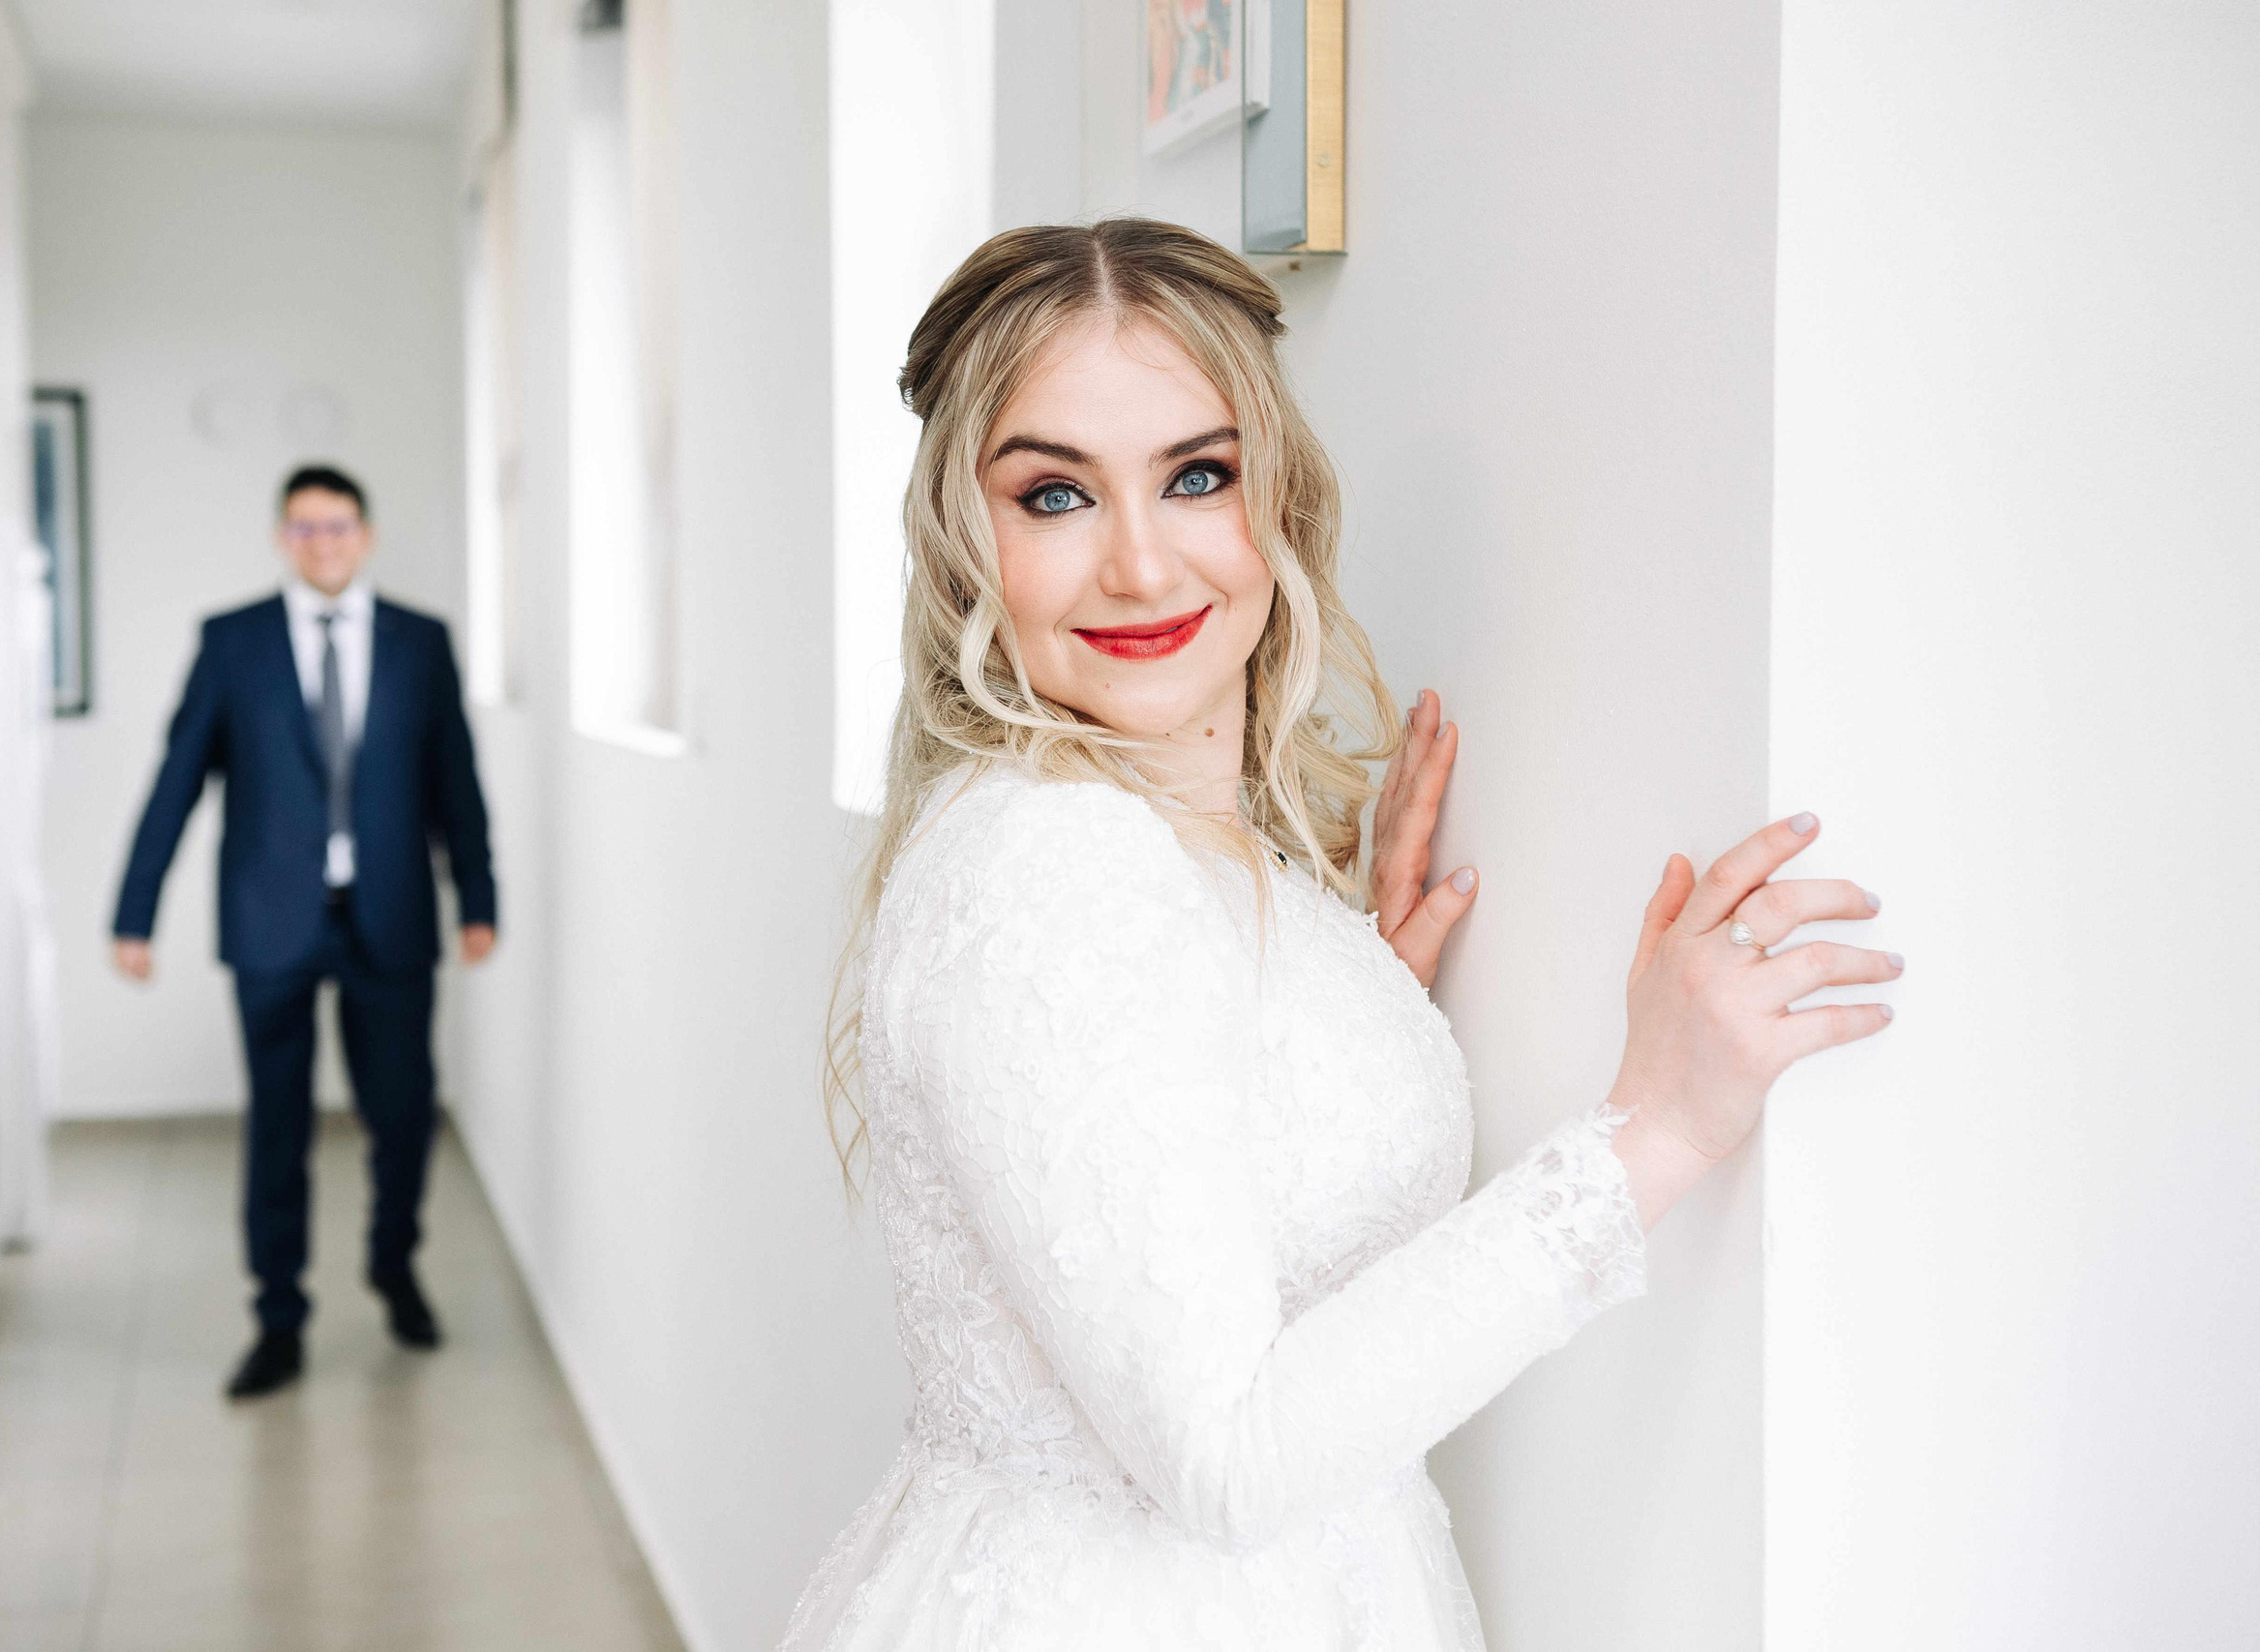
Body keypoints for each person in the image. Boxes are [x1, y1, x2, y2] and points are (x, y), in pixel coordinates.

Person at [783, 221, 1898, 1649]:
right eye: (1054, 495)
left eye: (1197, 475)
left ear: (1278, 493)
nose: (1140, 564)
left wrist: (1331, 998)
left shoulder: (1163, 848)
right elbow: (1229, 1459)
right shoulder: (1054, 862)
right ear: (963, 542)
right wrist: (1656, 1131)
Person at [111, 465, 497, 1400]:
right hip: (270, 919)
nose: (323, 543)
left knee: (402, 1113)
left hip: (390, 915)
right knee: (277, 1127)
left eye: (338, 525)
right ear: (283, 538)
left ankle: (394, 1266)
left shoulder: (420, 641)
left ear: (366, 533)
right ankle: (278, 1317)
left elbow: (455, 779)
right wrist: (135, 911)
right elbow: (176, 780)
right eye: (304, 528)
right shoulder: (231, 640)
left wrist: (478, 896)